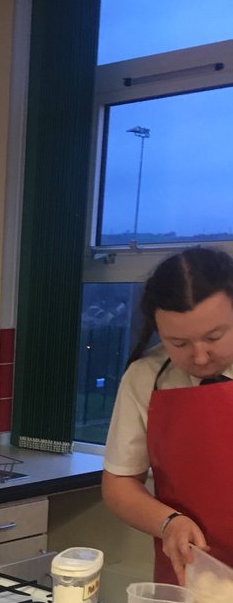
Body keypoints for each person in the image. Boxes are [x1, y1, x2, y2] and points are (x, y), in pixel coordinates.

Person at [102, 247, 233, 584]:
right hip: (190, 578)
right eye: (179, 343)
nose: (200, 357)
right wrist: (168, 522)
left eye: (214, 337)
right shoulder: (146, 377)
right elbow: (119, 482)